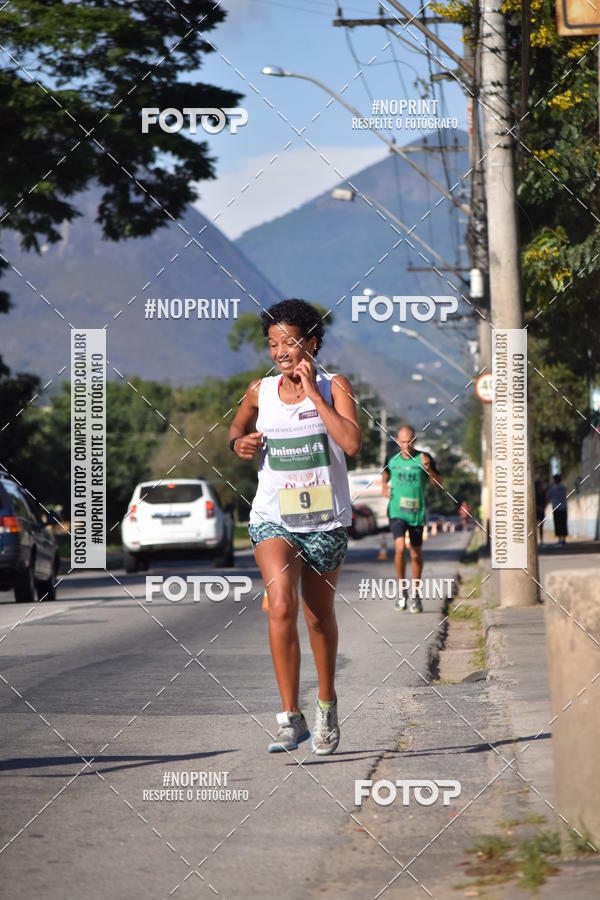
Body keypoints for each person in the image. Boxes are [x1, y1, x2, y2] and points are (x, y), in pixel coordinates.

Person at [229, 299, 361, 755]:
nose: (281, 351)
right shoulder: (259, 391)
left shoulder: (334, 385)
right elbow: (236, 429)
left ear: (313, 342)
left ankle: (326, 703)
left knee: (317, 616)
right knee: (280, 605)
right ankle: (290, 717)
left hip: (324, 520)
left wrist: (315, 397)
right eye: (273, 344)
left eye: (290, 341)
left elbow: (351, 441)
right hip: (273, 516)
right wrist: (239, 442)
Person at [382, 426, 442, 613]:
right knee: (400, 548)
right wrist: (384, 487)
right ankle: (402, 591)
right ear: (398, 441)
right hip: (396, 512)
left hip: (416, 513)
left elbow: (438, 484)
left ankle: (415, 593)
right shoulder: (391, 460)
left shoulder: (424, 458)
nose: (405, 445)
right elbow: (384, 475)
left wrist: (429, 469)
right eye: (402, 442)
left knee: (415, 553)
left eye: (409, 441)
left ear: (414, 441)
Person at [546, 474, 568, 545]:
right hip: (564, 508)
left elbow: (547, 496)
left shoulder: (553, 488)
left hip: (556, 508)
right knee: (563, 523)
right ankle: (564, 539)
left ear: (554, 480)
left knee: (558, 524)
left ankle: (559, 539)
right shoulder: (563, 487)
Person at [535, 480, 547, 545]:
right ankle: (535, 539)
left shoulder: (543, 492)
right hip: (536, 512)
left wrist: (544, 507)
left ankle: (541, 540)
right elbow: (534, 502)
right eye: (540, 485)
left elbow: (546, 500)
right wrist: (538, 508)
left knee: (541, 526)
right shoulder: (535, 493)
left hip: (542, 511)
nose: (541, 486)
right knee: (535, 526)